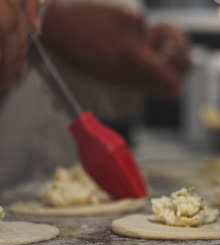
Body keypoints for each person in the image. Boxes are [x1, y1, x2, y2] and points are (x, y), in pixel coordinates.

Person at [0, 0, 192, 187]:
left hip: (74, 164)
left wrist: (147, 45)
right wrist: (49, 20)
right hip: (12, 148)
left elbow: (110, 33)